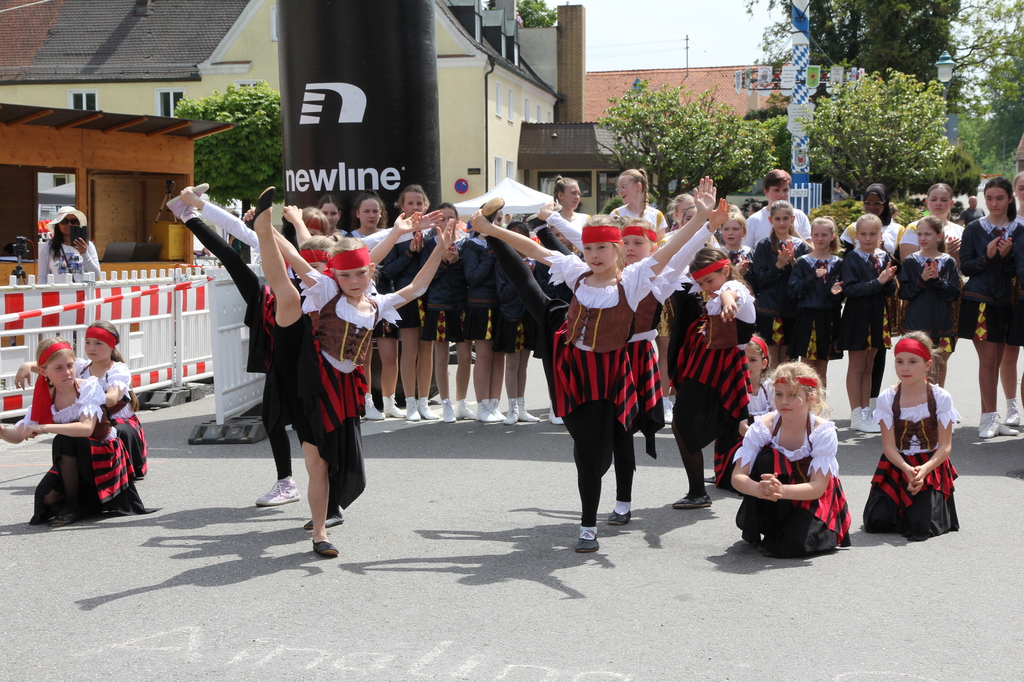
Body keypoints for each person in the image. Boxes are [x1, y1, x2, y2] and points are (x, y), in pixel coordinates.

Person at [470, 177, 720, 553]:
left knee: (604, 448)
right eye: (588, 248)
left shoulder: (634, 280)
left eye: (602, 247)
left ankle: (591, 524)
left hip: (613, 374)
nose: (594, 254)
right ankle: (590, 520)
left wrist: (700, 219)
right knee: (586, 450)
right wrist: (492, 230)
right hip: (574, 368)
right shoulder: (577, 271)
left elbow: (671, 252)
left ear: (617, 249)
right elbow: (535, 251)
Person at [265, 198, 454, 556]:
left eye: (360, 274)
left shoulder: (377, 303)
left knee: (340, 464)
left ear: (370, 272)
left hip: (348, 388)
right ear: (334, 275)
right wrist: (267, 228)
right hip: (315, 384)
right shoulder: (325, 291)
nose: (353, 281)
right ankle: (320, 533)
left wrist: (437, 251)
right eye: (345, 275)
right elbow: (295, 255)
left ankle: (328, 512)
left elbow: (416, 288)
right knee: (317, 463)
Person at [1, 338, 151, 526]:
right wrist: (1, 430)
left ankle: (72, 506)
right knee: (46, 497)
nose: (67, 372)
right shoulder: (45, 398)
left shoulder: (87, 387)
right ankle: (86, 501)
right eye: (59, 368)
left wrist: (44, 427)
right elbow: (17, 436)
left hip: (103, 453)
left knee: (63, 439)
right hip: (74, 457)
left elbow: (86, 428)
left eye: (70, 365)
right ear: (43, 372)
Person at [669, 238, 757, 510]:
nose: (706, 287)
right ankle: (721, 482)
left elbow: (732, 292)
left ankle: (700, 491)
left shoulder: (735, 291)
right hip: (706, 366)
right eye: (702, 283)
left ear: (726, 271)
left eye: (709, 280)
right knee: (726, 424)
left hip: (718, 369)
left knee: (684, 423)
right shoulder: (714, 290)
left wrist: (727, 299)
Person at [731, 361, 851, 557]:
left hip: (810, 497)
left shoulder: (822, 431)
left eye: (793, 395)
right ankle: (772, 524)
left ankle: (796, 528)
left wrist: (780, 490)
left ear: (811, 397)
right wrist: (761, 489)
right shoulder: (763, 426)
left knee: (790, 546)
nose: (784, 401)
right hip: (772, 499)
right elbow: (738, 476)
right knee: (767, 458)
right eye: (779, 394)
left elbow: (818, 487)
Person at [16, 321, 150, 479]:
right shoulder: (80, 366)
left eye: (98, 343)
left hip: (115, 419)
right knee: (69, 437)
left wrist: (88, 394)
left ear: (111, 346)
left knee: (119, 431)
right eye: (88, 342)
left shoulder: (117, 370)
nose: (92, 348)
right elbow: (53, 363)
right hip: (90, 418)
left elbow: (112, 399)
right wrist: (26, 366)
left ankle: (122, 471)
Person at [863, 333, 960, 541]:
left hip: (930, 463)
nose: (905, 368)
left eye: (912, 362)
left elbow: (945, 447)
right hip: (898, 463)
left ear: (927, 365)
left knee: (920, 526)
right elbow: (889, 447)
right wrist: (907, 469)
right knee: (877, 522)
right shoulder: (888, 398)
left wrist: (923, 470)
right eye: (899, 362)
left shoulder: (940, 397)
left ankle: (922, 507)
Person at [958, 177, 1017, 438]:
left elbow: (1014, 270)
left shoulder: (1018, 228)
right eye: (990, 198)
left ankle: (990, 418)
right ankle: (989, 418)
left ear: (1010, 199)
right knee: (988, 359)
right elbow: (966, 266)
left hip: (1006, 301)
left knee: (998, 361)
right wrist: (988, 256)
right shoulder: (974, 228)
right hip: (979, 299)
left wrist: (1006, 256)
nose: (994, 203)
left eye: (1000, 198)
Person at [379, 185, 440, 421]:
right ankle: (411, 403)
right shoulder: (395, 234)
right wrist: (410, 253)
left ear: (426, 206)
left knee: (427, 350)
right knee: (410, 350)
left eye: (419, 203)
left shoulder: (433, 234)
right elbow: (387, 271)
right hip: (406, 297)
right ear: (401, 206)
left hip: (430, 297)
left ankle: (424, 402)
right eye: (410, 203)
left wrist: (424, 249)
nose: (416, 207)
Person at [838, 213, 897, 433]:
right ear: (856, 235)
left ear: (881, 235)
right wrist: (878, 282)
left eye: (873, 234)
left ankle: (866, 411)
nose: (868, 238)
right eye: (863, 234)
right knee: (857, 366)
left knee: (869, 365)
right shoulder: (852, 258)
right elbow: (850, 290)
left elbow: (888, 290)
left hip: (877, 314)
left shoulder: (884, 256)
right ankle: (856, 414)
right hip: (857, 315)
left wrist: (890, 282)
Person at [347, 191, 401, 419]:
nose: (371, 215)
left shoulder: (391, 236)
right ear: (357, 214)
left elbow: (393, 268)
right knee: (363, 356)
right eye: (366, 211)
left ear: (382, 214)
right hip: (359, 304)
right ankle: (366, 402)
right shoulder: (348, 239)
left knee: (390, 356)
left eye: (375, 211)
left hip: (384, 302)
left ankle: (389, 402)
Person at [419, 202, 473, 422]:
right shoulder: (429, 244)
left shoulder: (466, 244)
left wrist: (457, 261)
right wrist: (441, 262)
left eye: (451, 218)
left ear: (458, 220)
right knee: (441, 357)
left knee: (465, 356)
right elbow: (424, 276)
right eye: (442, 218)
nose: (447, 222)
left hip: (462, 305)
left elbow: (470, 276)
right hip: (438, 304)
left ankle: (462, 403)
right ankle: (446, 403)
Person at [899, 216, 961, 387]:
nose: (923, 238)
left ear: (939, 236)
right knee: (913, 366)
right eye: (920, 234)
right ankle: (913, 401)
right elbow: (904, 293)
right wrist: (921, 280)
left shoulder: (948, 261)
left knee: (937, 367)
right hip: (916, 323)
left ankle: (935, 400)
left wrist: (938, 281)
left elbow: (953, 294)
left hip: (941, 323)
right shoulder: (911, 261)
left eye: (928, 234)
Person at [748, 200, 810, 368]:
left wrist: (794, 263)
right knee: (770, 361)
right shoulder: (764, 245)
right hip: (769, 310)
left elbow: (805, 281)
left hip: (792, 310)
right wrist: (778, 266)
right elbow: (758, 281)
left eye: (785, 218)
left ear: (792, 219)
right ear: (771, 220)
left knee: (788, 363)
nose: (782, 223)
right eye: (777, 219)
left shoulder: (800, 246)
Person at [493, 221, 541, 424]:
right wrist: (522, 276)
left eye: (520, 238)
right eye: (510, 237)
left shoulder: (535, 262)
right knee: (512, 364)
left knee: (523, 364)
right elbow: (502, 294)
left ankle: (522, 408)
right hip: (510, 317)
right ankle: (511, 409)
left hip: (529, 316)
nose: (515, 242)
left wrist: (530, 273)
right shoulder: (502, 262)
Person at [787, 216, 843, 385]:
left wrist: (836, 292)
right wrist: (812, 278)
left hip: (829, 316)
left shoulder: (838, 263)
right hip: (808, 316)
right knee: (807, 365)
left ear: (832, 236)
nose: (820, 239)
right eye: (816, 235)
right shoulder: (803, 262)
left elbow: (843, 292)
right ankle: (805, 398)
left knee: (822, 366)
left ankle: (820, 400)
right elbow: (792, 290)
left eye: (824, 235)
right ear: (811, 236)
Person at [712, 335, 772, 492]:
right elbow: (742, 428)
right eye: (742, 359)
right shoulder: (733, 389)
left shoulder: (770, 387)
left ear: (764, 363)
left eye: (753, 360)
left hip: (766, 438)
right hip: (740, 441)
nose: (746, 364)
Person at [463, 209, 506, 422]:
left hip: (502, 305)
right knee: (483, 355)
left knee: (499, 355)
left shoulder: (502, 243)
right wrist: (490, 255)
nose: (498, 223)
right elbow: (473, 277)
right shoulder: (472, 246)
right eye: (494, 219)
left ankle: (494, 404)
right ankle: (482, 406)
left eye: (500, 219)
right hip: (481, 305)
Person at [743, 170, 812, 247]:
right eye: (776, 190)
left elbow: (812, 251)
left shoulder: (800, 216)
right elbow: (745, 251)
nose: (782, 195)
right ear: (766, 192)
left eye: (785, 190)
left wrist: (793, 233)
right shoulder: (754, 221)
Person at [37, 206, 101, 283]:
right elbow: (42, 277)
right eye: (64, 221)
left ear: (78, 224)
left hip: (82, 290)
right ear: (58, 224)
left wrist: (84, 254)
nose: (69, 224)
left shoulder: (87, 245)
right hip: (58, 290)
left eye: (73, 221)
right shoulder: (48, 247)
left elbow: (96, 275)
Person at [611, 169, 668, 237]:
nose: (620, 192)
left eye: (623, 187)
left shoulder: (657, 215)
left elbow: (661, 242)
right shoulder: (616, 214)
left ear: (638, 186)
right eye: (619, 188)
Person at [717, 209, 753, 276]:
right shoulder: (716, 255)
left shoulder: (751, 253)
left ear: (744, 232)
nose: (730, 233)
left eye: (735, 229)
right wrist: (735, 271)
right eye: (726, 229)